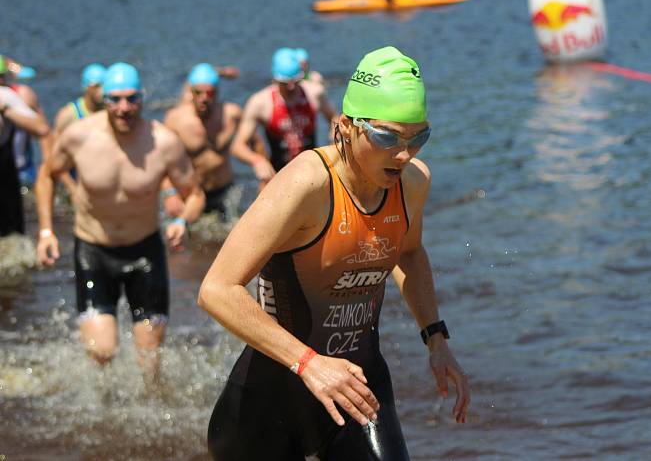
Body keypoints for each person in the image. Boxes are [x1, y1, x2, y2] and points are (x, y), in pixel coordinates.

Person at [199, 46, 470, 460]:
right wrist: (309, 363)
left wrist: (436, 338)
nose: (403, 153)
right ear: (346, 126)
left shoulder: (413, 182)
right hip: (267, 402)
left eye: (418, 137)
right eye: (386, 136)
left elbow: (409, 254)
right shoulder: (306, 185)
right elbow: (217, 289)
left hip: (359, 389)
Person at [35, 62, 205, 385]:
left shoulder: (164, 142)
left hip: (145, 251)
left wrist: (182, 220)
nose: (124, 108)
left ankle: (150, 414)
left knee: (149, 359)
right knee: (102, 352)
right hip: (94, 250)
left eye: (132, 99)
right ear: (104, 99)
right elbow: (47, 174)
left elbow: (195, 193)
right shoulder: (79, 136)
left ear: (142, 98)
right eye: (115, 99)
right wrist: (46, 230)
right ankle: (102, 404)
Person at [231, 48, 337, 189]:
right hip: (277, 175)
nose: (291, 87)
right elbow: (237, 146)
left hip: (312, 171)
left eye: (296, 81)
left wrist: (335, 135)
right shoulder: (260, 103)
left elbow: (334, 117)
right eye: (285, 83)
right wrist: (257, 161)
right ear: (275, 79)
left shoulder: (314, 93)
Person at [162, 63, 246, 220]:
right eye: (198, 93)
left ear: (217, 92)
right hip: (192, 193)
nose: (204, 98)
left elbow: (255, 143)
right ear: (190, 92)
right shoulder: (176, 119)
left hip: (224, 190)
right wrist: (169, 193)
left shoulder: (232, 113)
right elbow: (162, 162)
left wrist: (264, 171)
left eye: (210, 93)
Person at [0, 57, 50, 237]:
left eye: (2, 77)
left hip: (18, 171)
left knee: (14, 233)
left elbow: (43, 128)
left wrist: (47, 164)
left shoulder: (12, 96)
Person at [53, 63, 107, 197]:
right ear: (86, 87)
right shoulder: (68, 115)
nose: (102, 91)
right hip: (77, 180)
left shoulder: (112, 113)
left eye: (105, 85)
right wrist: (71, 187)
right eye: (97, 86)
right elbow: (54, 157)